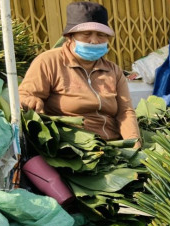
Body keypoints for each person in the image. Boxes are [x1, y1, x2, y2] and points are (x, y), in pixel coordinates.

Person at [19, 1, 140, 145]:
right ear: (70, 37)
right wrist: (32, 101)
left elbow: (125, 112)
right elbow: (24, 96)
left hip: (111, 144)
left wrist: (134, 144)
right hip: (70, 146)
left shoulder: (113, 70)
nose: (94, 41)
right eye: (86, 34)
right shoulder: (49, 61)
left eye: (101, 35)